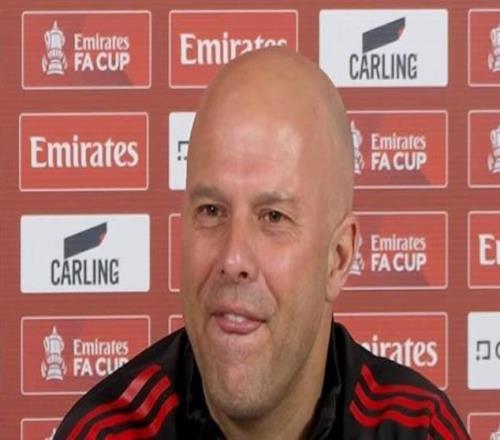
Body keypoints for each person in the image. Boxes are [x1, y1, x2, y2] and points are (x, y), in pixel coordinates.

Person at [54, 47, 470, 440]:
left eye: (273, 217)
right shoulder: (107, 432)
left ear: (338, 259)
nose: (234, 258)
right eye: (211, 211)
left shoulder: (419, 430)